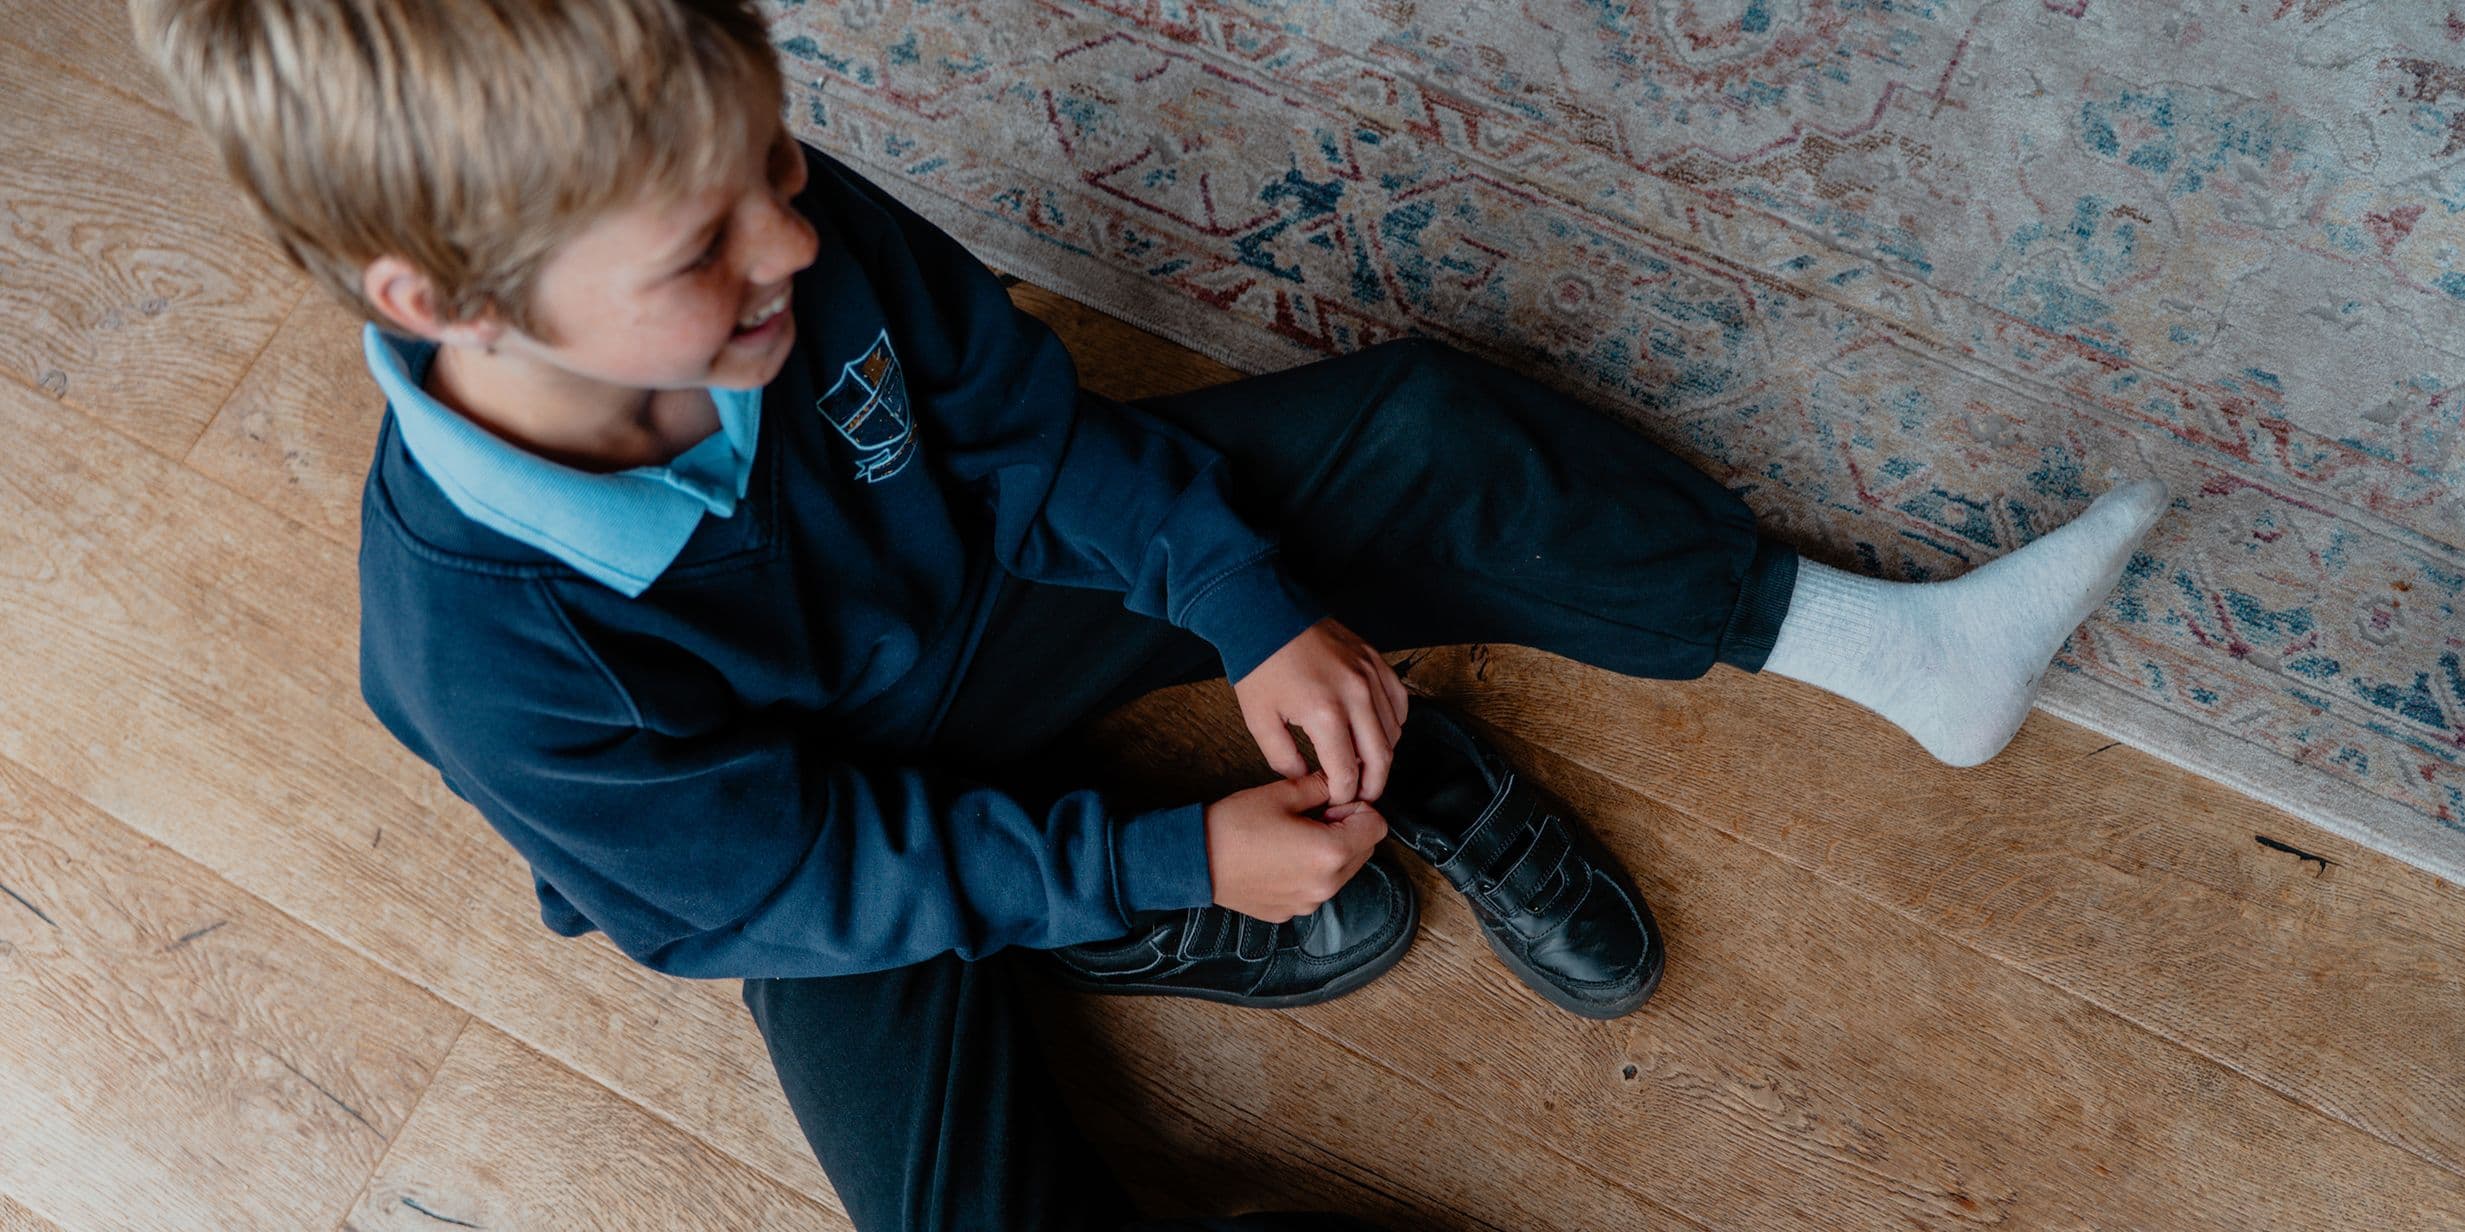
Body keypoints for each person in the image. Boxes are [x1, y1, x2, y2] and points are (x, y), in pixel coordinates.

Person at [128, 1, 2168, 1228]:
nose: (792, 234)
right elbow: (786, 878)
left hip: (994, 605)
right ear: (441, 296)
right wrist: (1158, 845)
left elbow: (1021, 424)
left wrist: (1247, 603)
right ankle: (1151, 878)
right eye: (707, 236)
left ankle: (1884, 649)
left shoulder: (779, 251)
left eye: (775, 154)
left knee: (1422, 428)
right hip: (831, 852)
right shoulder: (480, 649)